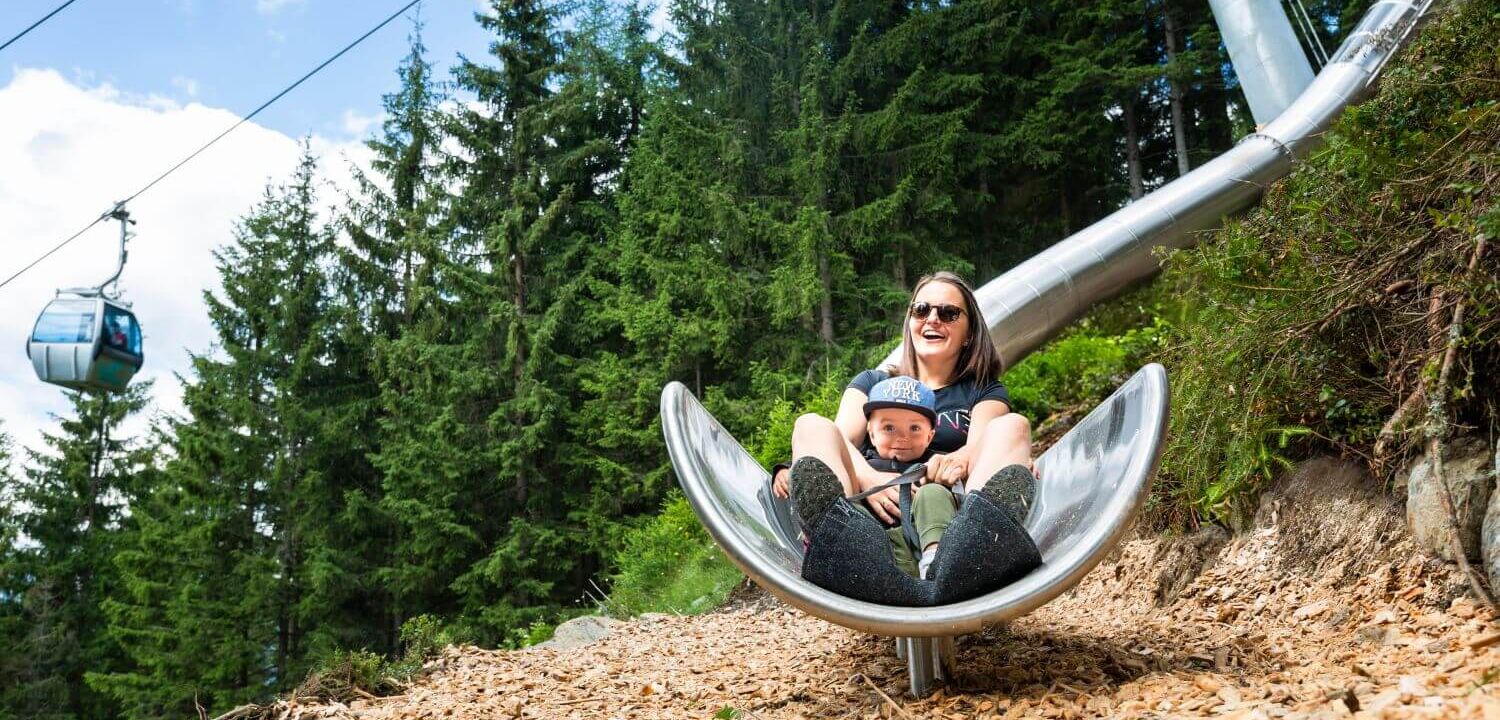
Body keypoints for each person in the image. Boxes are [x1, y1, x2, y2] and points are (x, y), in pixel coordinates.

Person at [775, 271, 1042, 606]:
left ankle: (978, 540)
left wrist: (954, 462)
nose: (932, 319)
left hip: (948, 511)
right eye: (921, 310)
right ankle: (839, 537)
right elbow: (839, 439)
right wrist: (871, 476)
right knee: (811, 424)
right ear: (910, 321)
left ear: (968, 334)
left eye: (948, 313)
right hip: (873, 515)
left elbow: (980, 444)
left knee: (1012, 426)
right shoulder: (872, 383)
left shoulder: (982, 390)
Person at [851, 375, 956, 579]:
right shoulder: (863, 464)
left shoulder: (934, 463)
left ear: (930, 436)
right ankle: (865, 573)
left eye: (914, 428)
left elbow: (967, 473)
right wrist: (787, 469)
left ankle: (936, 566)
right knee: (850, 508)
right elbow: (825, 462)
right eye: (889, 427)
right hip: (882, 554)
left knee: (933, 492)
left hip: (923, 543)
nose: (902, 437)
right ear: (871, 434)